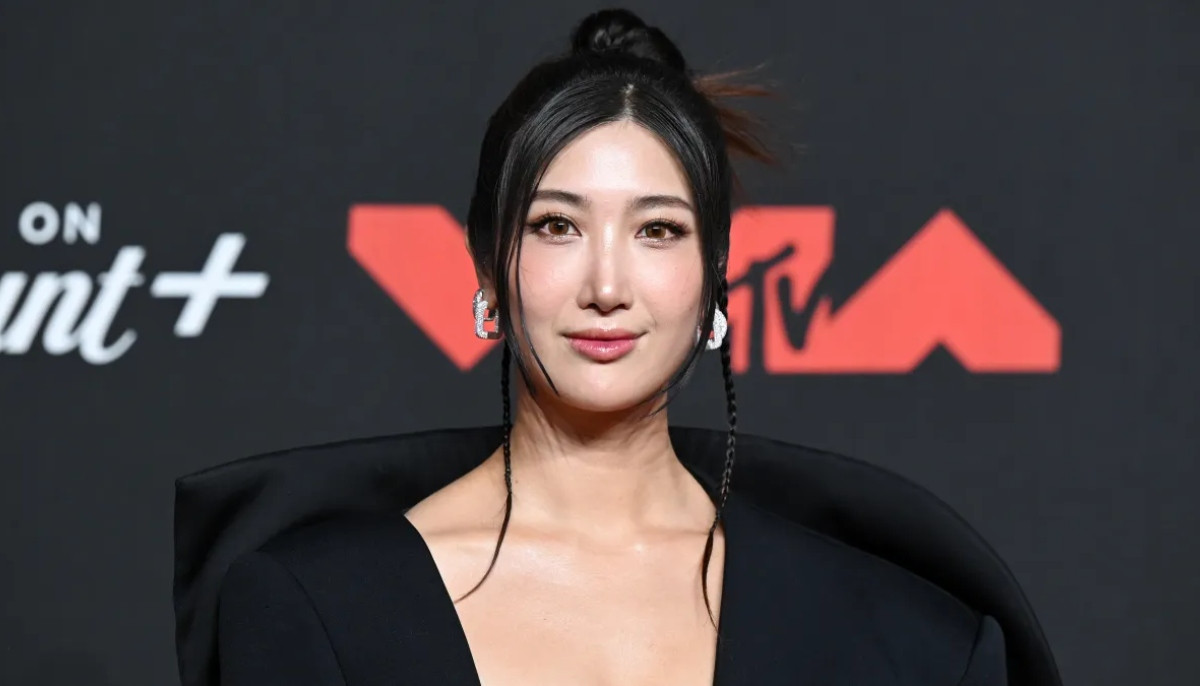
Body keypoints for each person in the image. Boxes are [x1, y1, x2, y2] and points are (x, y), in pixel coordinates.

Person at [179, 8, 1048, 686]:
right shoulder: (320, 607)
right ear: (487, 267)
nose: (606, 284)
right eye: (556, 225)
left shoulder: (899, 637)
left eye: (658, 230)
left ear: (715, 274)